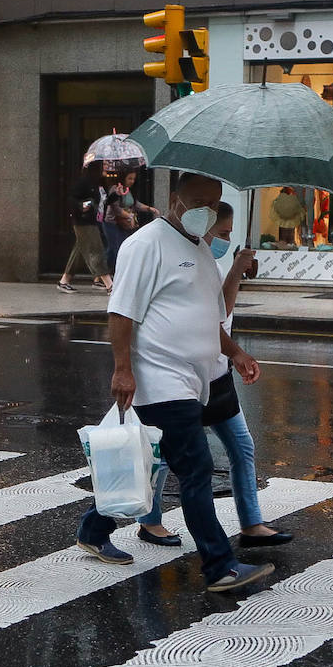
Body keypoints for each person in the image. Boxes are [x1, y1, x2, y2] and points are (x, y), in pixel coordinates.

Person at [77, 173, 275, 593]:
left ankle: (93, 529)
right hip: (160, 378)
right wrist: (122, 368)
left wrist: (235, 352)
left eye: (214, 202)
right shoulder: (144, 245)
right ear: (174, 199)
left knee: (148, 467)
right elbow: (121, 313)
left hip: (194, 379)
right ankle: (220, 565)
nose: (206, 209)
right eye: (198, 201)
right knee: (196, 468)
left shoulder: (200, 247)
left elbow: (208, 314)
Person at [136, 202, 293, 548]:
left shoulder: (210, 259)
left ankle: (251, 523)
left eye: (230, 233)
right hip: (183, 380)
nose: (227, 239)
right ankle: (145, 521)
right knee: (166, 457)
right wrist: (236, 269)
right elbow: (216, 315)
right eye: (223, 233)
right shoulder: (191, 260)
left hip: (215, 376)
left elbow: (219, 318)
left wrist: (235, 354)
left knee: (241, 447)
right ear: (205, 229)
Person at [58, 162, 113, 294]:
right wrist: (82, 205)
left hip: (95, 221)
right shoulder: (84, 182)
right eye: (104, 164)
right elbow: (72, 199)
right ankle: (110, 285)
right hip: (84, 222)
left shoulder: (99, 183)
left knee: (79, 251)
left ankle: (64, 281)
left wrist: (116, 194)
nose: (108, 167)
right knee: (96, 250)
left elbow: (103, 202)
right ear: (97, 167)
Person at [101, 168, 157, 274]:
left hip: (123, 224)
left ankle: (106, 273)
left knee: (122, 248)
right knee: (113, 248)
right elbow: (115, 208)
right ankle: (104, 273)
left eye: (133, 179)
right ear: (123, 178)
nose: (132, 181)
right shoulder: (116, 189)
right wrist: (129, 215)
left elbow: (135, 204)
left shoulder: (129, 190)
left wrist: (149, 209)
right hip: (112, 222)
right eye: (129, 178)